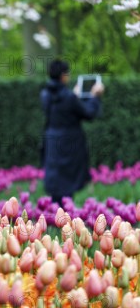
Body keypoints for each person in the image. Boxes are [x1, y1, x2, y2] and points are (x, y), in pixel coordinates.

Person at [40, 59, 104, 206]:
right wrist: (95, 96)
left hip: (51, 141)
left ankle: (55, 215)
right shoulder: (69, 97)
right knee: (67, 183)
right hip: (69, 144)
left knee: (56, 181)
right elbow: (88, 113)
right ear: (63, 76)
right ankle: (66, 219)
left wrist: (73, 96)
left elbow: (62, 107)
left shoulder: (45, 95)